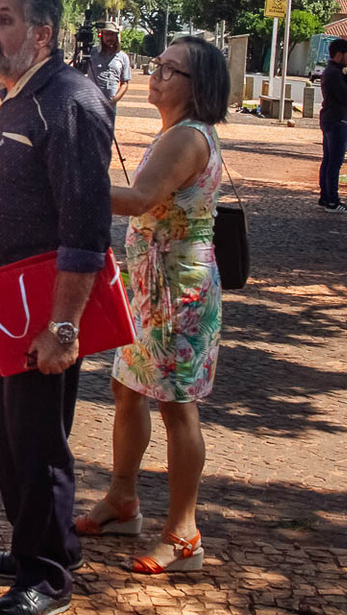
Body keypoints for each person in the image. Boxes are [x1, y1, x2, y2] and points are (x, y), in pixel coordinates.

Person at [0, 0, 114, 615]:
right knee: (7, 430)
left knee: (37, 439)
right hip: (3, 303)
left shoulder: (71, 103)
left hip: (41, 310)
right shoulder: (20, 93)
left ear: (42, 33)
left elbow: (85, 227)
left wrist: (63, 327)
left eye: (4, 19)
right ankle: (36, 543)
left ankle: (49, 576)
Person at [75, 37, 229, 576]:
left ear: (198, 86)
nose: (156, 74)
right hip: (152, 287)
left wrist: (68, 186)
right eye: (158, 65)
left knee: (176, 405)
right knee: (128, 387)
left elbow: (140, 201)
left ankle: (183, 534)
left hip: (176, 292)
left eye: (171, 70)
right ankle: (123, 501)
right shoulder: (175, 132)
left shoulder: (186, 138)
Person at [318, 38, 347, 212]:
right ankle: (333, 201)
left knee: (328, 160)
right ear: (339, 54)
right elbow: (345, 97)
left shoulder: (333, 72)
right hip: (336, 120)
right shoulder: (333, 74)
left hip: (330, 119)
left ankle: (325, 197)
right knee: (334, 162)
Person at [87, 26, 132, 108]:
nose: (109, 38)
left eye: (112, 35)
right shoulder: (91, 53)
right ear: (102, 36)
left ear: (117, 36)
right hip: (91, 103)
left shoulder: (123, 57)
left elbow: (125, 83)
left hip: (110, 106)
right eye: (106, 35)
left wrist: (113, 101)